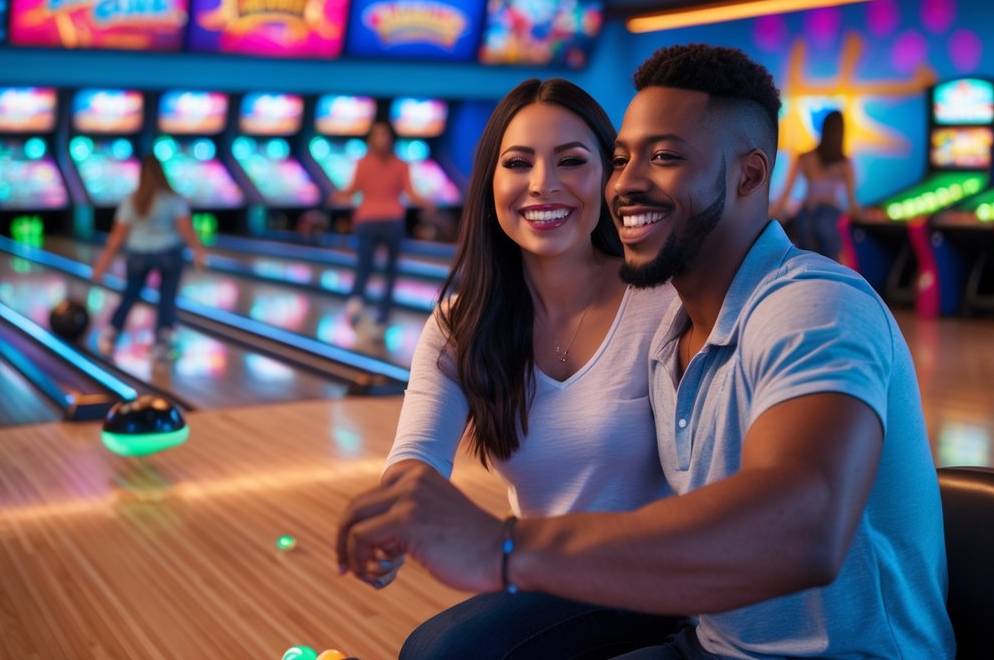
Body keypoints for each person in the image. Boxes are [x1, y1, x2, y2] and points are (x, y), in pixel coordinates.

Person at [336, 44, 955, 659]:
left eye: (664, 157)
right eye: (624, 159)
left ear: (749, 173)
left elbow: (804, 525)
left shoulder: (812, 305)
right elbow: (419, 450)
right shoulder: (676, 337)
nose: (627, 183)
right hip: (710, 641)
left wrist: (504, 547)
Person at [378, 78, 681, 659]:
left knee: (441, 652)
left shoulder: (665, 302)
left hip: (662, 574)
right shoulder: (460, 324)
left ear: (610, 177)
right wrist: (397, 514)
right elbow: (417, 453)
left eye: (572, 160)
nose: (544, 184)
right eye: (519, 163)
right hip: (550, 578)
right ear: (491, 181)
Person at [92, 155, 207, 358]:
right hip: (168, 253)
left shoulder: (132, 200)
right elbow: (186, 230)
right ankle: (162, 344)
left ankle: (110, 334)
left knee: (130, 296)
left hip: (138, 254)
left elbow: (117, 236)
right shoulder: (172, 199)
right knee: (167, 299)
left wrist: (102, 264)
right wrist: (198, 252)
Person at [331, 120, 431, 333]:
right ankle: (368, 310)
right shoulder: (371, 163)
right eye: (377, 135)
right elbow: (354, 189)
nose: (381, 139)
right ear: (370, 140)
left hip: (382, 221)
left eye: (384, 135)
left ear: (391, 139)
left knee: (374, 268)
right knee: (376, 268)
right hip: (377, 222)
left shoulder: (388, 164)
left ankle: (371, 311)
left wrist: (338, 196)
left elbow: (352, 191)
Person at [770, 110, 859, 260]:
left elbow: (786, 192)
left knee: (808, 265)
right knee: (830, 267)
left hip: (805, 216)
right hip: (829, 216)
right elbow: (852, 204)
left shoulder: (805, 157)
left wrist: (770, 216)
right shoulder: (844, 164)